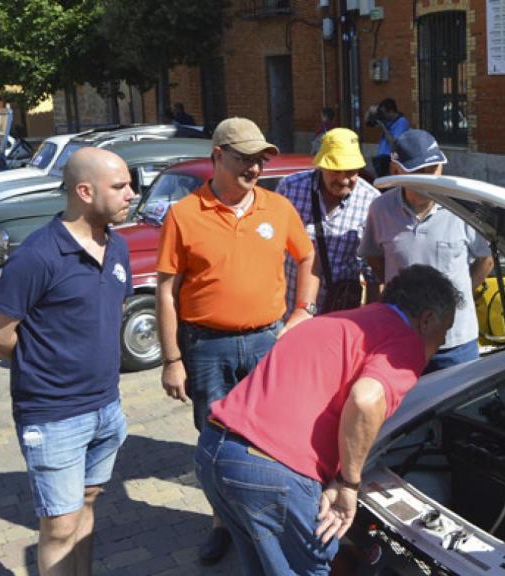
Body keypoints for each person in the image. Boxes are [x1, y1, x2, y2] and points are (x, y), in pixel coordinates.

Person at [196, 264, 461, 574]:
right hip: (269, 471)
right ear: (427, 319)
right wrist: (349, 483)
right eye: (442, 335)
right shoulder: (404, 341)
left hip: (213, 451)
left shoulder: (341, 321)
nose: (439, 346)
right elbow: (365, 401)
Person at [155, 117, 318, 565]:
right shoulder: (184, 214)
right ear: (218, 157)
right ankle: (222, 522)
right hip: (207, 347)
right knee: (216, 438)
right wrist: (172, 359)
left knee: (275, 433)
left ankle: (271, 516)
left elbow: (307, 257)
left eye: (259, 159)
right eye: (244, 158)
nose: (254, 168)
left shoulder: (277, 207)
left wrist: (302, 310)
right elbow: (166, 292)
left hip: (268, 342)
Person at [0, 147, 135, 576]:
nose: (131, 194)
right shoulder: (37, 255)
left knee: (85, 508)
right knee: (60, 527)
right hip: (53, 415)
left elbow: (109, 314)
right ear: (84, 191)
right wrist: (49, 367)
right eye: (120, 186)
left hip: (106, 407)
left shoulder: (116, 248)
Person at [361, 129, 493, 372]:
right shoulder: (380, 209)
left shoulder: (465, 209)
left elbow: (486, 259)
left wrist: (454, 298)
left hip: (456, 344)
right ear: (395, 171)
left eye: (433, 170)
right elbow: (375, 258)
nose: (429, 179)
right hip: (402, 339)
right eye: (419, 172)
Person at [277, 127, 380, 314]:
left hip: (340, 311)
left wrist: (371, 318)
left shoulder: (371, 200)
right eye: (335, 171)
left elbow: (372, 272)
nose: (343, 179)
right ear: (321, 166)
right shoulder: (290, 188)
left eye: (351, 172)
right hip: (291, 310)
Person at [365, 98, 409, 178]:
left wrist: (383, 127)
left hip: (390, 159)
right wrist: (370, 111)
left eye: (384, 112)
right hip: (381, 160)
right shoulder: (387, 121)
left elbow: (393, 142)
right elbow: (368, 123)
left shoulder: (401, 122)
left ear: (391, 111)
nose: (383, 115)